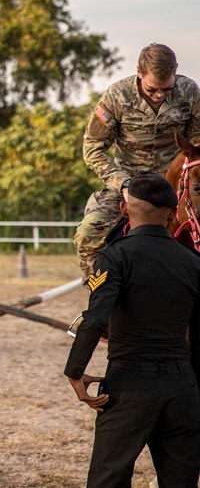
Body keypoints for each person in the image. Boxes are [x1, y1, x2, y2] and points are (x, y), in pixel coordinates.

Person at [65, 172, 200, 487]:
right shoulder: (193, 261)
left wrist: (75, 371)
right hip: (183, 385)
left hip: (129, 384)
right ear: (172, 211)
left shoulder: (115, 256)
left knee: (108, 479)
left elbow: (95, 318)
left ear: (125, 212)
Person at [74, 43, 200, 283]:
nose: (160, 95)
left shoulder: (189, 92)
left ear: (176, 71)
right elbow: (92, 148)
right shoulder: (117, 96)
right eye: (153, 90)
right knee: (87, 235)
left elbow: (197, 143)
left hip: (176, 183)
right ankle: (99, 301)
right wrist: (123, 183)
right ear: (139, 72)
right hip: (129, 182)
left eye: (166, 89)